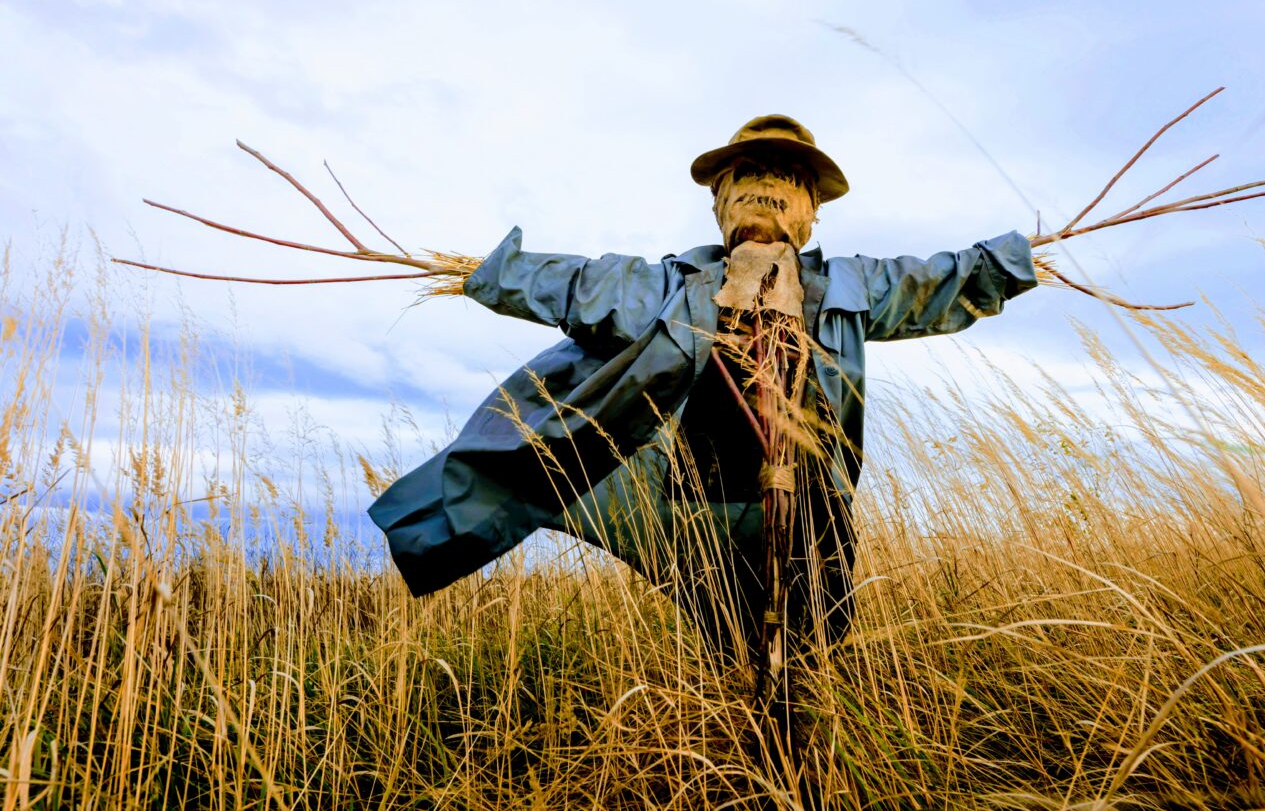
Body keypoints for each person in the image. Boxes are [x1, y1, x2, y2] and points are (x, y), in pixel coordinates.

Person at [368, 115, 1038, 664]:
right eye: (746, 180)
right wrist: (490, 273)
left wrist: (1009, 262)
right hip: (698, 508)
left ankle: (798, 768)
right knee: (730, 647)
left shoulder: (846, 287)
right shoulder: (673, 286)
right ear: (720, 201)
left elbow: (935, 281)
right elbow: (580, 284)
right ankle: (742, 752)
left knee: (810, 657)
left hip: (810, 510)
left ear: (809, 209)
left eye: (783, 182)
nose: (764, 193)